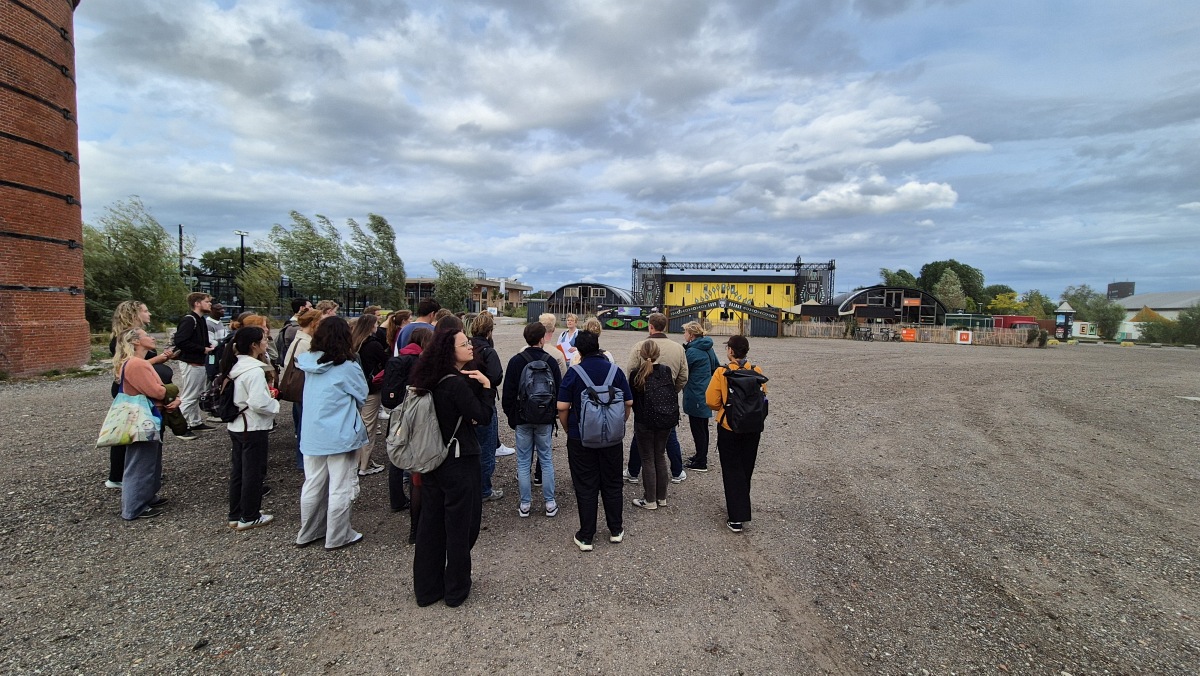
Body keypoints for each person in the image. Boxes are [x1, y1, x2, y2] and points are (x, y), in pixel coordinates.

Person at [410, 327, 495, 607]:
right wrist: (486, 386)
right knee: (461, 527)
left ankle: (427, 588)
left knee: (430, 525)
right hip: (459, 460)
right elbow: (482, 417)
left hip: (431, 459)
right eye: (464, 344)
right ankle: (456, 589)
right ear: (450, 350)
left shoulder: (427, 378)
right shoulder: (456, 383)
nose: (470, 347)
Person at [295, 316, 368, 550]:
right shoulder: (347, 367)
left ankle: (309, 531)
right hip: (340, 432)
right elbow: (361, 394)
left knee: (313, 483)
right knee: (340, 485)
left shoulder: (307, 362)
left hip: (312, 431)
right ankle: (338, 535)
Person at [556, 330, 631, 551]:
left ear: (578, 349)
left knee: (585, 484)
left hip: (582, 437)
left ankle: (586, 535)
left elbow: (562, 406)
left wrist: (569, 428)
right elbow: (628, 403)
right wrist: (618, 424)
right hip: (612, 438)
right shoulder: (615, 371)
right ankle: (616, 529)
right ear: (599, 345)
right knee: (613, 481)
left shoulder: (574, 372)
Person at [106, 301, 186, 488]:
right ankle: (121, 475)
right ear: (134, 314)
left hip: (147, 387)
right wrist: (159, 359)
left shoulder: (141, 337)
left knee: (146, 430)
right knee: (129, 431)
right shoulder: (124, 338)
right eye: (145, 310)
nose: (149, 314)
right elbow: (129, 367)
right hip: (136, 389)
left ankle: (145, 471)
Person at [111, 328, 178, 520]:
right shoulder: (136, 364)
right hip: (144, 417)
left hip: (148, 415)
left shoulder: (134, 363)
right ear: (136, 342)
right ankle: (134, 507)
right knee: (140, 462)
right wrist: (172, 392)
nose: (151, 337)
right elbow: (157, 392)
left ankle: (146, 497)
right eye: (147, 335)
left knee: (149, 460)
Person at [706, 335, 768, 534]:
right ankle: (741, 503)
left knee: (732, 470)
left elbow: (712, 401)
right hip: (752, 426)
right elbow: (763, 396)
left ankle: (736, 517)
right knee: (746, 468)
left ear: (731, 351)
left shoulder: (722, 372)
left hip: (729, 426)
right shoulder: (756, 370)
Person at [220, 326, 280, 530]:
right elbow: (258, 402)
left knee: (239, 470)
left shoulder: (234, 366)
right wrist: (274, 404)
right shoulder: (254, 370)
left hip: (237, 424)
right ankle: (250, 515)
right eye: (263, 340)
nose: (266, 343)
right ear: (254, 345)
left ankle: (236, 512)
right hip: (252, 425)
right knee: (254, 472)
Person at [501, 322, 561, 519]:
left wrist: (512, 417)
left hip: (522, 417)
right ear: (542, 338)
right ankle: (550, 503)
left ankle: (525, 504)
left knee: (523, 461)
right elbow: (558, 392)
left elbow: (508, 394)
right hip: (545, 418)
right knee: (546, 460)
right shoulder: (551, 361)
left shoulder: (516, 361)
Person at [624, 312, 688, 484]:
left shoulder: (640, 346)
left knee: (641, 434)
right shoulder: (678, 348)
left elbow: (630, 371)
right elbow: (683, 375)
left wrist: (637, 391)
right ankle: (676, 471)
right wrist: (671, 391)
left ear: (650, 326)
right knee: (669, 434)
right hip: (667, 398)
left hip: (644, 398)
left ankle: (633, 471)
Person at [384, 327, 433, 543]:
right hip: (420, 423)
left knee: (404, 466)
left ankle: (412, 527)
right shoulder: (422, 363)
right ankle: (423, 528)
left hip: (401, 417)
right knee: (422, 474)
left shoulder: (399, 358)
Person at [629, 340, 673, 510]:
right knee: (660, 455)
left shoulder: (636, 374)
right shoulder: (666, 371)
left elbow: (632, 399)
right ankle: (662, 497)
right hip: (664, 419)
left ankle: (650, 499)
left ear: (641, 354)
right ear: (658, 353)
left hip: (644, 421)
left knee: (647, 458)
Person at [468, 312, 505, 502]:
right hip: (484, 403)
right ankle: (484, 489)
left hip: (465, 402)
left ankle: (469, 486)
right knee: (486, 448)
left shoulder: (465, 347)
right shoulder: (488, 351)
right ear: (489, 332)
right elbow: (496, 376)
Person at [280, 308, 322, 469]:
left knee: (302, 423)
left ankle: (303, 458)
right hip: (304, 389)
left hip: (301, 389)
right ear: (314, 323)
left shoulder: (300, 339)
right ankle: (303, 460)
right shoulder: (305, 343)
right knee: (304, 425)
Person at [351, 313, 388, 476]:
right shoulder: (374, 345)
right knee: (368, 427)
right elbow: (386, 362)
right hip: (371, 389)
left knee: (358, 424)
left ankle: (358, 460)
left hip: (355, 388)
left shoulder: (353, 343)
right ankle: (364, 464)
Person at [172, 292, 215, 431]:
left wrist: (207, 346)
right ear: (197, 303)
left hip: (198, 362)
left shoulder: (200, 319)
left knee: (197, 394)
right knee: (190, 396)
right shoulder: (190, 320)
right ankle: (181, 426)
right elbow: (181, 341)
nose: (210, 304)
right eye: (207, 301)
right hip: (191, 362)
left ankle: (195, 422)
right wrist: (203, 349)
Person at [682, 321, 719, 472]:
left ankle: (701, 461)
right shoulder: (708, 348)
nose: (684, 335)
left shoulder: (692, 352)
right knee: (702, 426)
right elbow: (715, 366)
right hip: (705, 390)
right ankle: (700, 455)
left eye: (685, 332)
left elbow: (683, 371)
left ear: (691, 335)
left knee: (697, 427)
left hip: (695, 392)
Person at [204, 302, 229, 383]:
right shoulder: (208, 324)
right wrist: (222, 343)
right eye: (219, 309)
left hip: (221, 354)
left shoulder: (219, 322)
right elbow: (210, 341)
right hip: (213, 355)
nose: (222, 310)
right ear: (211, 310)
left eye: (222, 308)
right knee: (212, 375)